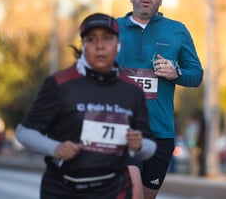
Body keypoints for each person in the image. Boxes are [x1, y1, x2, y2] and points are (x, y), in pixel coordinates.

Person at [15, 13, 156, 199]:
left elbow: (150, 147)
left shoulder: (132, 90)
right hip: (63, 188)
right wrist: (55, 148)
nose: (100, 46)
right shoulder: (60, 84)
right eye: (91, 39)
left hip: (112, 189)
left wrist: (138, 145)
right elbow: (24, 133)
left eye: (107, 38)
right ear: (83, 45)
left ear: (117, 44)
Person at [116, 0, 204, 199]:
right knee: (132, 192)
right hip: (122, 130)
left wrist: (177, 73)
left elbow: (196, 75)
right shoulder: (112, 29)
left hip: (160, 133)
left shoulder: (176, 31)